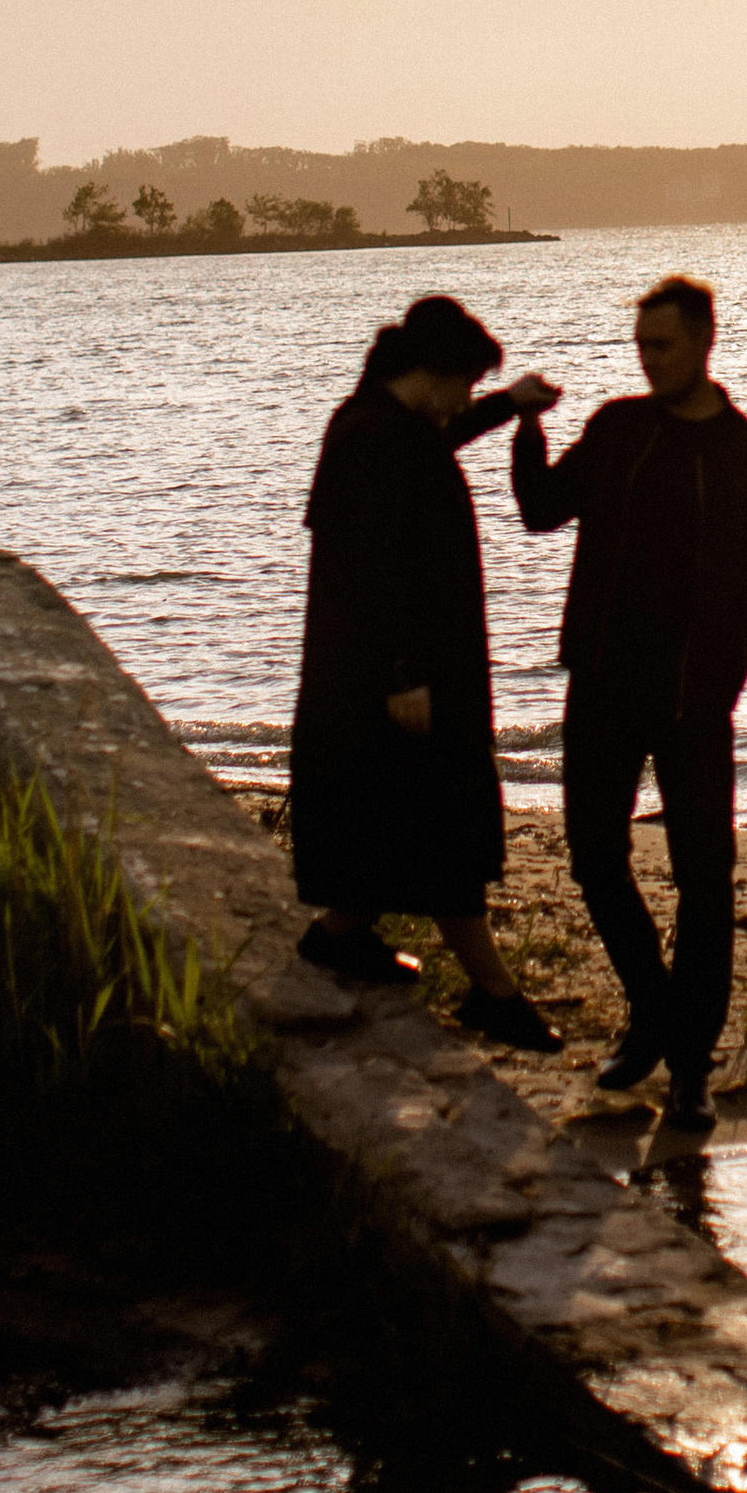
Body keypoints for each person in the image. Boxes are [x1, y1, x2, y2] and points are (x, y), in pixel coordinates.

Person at [510, 275, 747, 1133]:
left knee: (704, 881)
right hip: (603, 686)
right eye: (640, 346)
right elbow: (540, 511)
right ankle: (652, 1011)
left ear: (704, 342)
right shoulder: (618, 429)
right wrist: (526, 425)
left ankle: (689, 1070)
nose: (648, 361)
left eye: (662, 346)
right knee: (594, 859)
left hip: (694, 702)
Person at [291, 293, 565, 1051]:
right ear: (435, 373)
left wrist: (510, 405)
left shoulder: (387, 423)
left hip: (395, 670)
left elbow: (441, 437)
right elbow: (372, 570)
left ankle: (340, 936)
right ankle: (494, 993)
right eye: (467, 385)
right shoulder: (373, 439)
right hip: (395, 675)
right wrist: (402, 674)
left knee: (392, 820)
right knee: (444, 825)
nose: (466, 401)